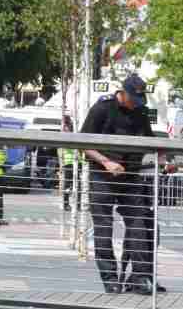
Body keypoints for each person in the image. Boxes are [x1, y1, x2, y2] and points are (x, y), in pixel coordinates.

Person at [80, 74, 171, 295]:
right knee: (104, 229)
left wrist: (163, 159)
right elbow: (82, 142)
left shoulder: (141, 112)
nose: (136, 104)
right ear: (123, 93)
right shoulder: (102, 108)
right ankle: (110, 280)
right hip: (102, 177)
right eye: (134, 99)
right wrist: (106, 162)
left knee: (141, 223)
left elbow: (151, 140)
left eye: (140, 100)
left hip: (131, 176)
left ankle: (139, 278)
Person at [58, 115, 82, 211]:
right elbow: (61, 149)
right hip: (69, 161)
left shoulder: (70, 131)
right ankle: (67, 204)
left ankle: (75, 204)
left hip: (74, 161)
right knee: (70, 184)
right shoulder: (66, 132)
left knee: (76, 184)